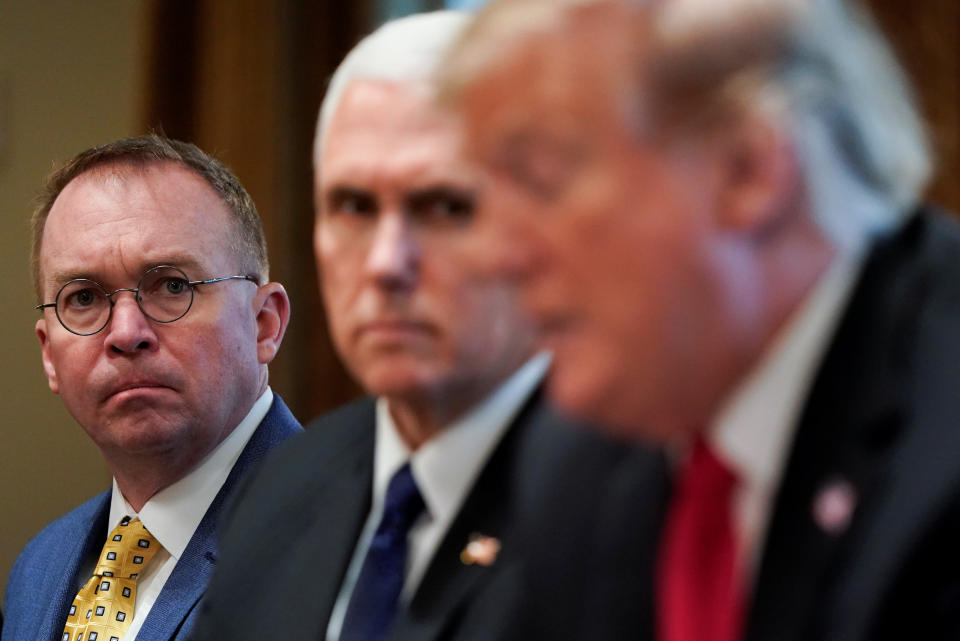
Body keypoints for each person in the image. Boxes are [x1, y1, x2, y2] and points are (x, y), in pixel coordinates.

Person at [442, 0, 960, 639]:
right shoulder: (576, 464)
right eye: (481, 199)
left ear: (748, 169)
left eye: (542, 180)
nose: (492, 255)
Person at [191, 10, 641, 641]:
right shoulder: (282, 490)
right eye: (353, 206)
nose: (385, 263)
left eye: (444, 206)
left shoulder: (636, 504)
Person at [3, 135, 301, 641]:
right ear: (50, 355)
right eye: (83, 297)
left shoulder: (356, 541)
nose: (125, 333)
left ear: (264, 324)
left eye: (172, 286)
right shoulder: (38, 568)